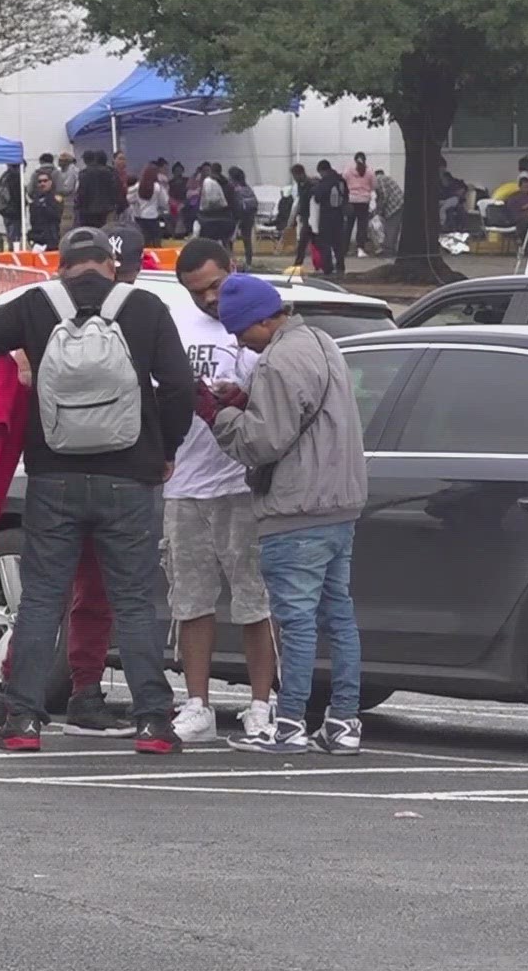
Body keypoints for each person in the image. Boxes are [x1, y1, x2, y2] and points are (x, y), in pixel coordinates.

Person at [0, 227, 196, 755]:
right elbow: (178, 385)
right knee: (132, 601)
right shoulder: (145, 306)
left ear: (62, 268)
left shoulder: (39, 304)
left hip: (53, 475)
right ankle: (154, 721)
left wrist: (17, 375)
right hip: (130, 476)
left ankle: (21, 719)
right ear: (110, 265)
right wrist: (166, 447)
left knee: (41, 598)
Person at [209, 272, 369, 755]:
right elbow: (299, 414)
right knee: (338, 617)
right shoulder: (321, 341)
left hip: (297, 507)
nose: (240, 343)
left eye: (240, 332)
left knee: (295, 622)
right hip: (341, 503)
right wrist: (246, 401)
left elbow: (262, 442)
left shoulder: (277, 362)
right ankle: (343, 723)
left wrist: (219, 416)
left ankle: (290, 725)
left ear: (262, 321)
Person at [163, 240, 278, 744]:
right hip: (185, 482)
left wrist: (237, 399)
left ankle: (261, 703)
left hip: (240, 482)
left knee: (253, 598)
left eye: (214, 285)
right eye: (196, 292)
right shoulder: (174, 325)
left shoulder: (253, 322)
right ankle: (197, 705)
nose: (209, 299)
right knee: (191, 600)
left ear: (233, 269)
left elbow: (276, 399)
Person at [312, 160, 348, 276]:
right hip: (339, 215)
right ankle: (340, 266)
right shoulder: (341, 180)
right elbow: (346, 195)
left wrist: (316, 185)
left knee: (325, 243)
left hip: (327, 215)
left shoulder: (325, 182)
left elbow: (317, 197)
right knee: (338, 243)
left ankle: (328, 268)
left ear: (323, 171)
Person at [74, 150, 120, 229]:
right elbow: (114, 190)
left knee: (89, 232)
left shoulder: (84, 173)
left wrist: (77, 205)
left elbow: (82, 192)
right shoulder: (110, 172)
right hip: (106, 209)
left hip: (87, 210)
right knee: (104, 231)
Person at [129, 162, 169, 246]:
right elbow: (164, 202)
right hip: (153, 218)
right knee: (156, 243)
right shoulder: (157, 187)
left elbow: (129, 198)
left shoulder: (138, 186)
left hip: (139, 218)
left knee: (142, 242)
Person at [343, 152, 375, 257]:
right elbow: (374, 186)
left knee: (348, 226)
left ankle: (344, 249)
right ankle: (360, 249)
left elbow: (343, 182)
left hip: (351, 201)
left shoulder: (348, 171)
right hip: (364, 202)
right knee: (362, 226)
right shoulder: (370, 172)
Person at [227, 166, 259, 267]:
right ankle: (248, 262)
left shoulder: (234, 188)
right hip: (249, 215)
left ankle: (230, 260)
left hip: (237, 215)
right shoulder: (247, 188)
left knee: (230, 239)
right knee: (247, 239)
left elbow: (232, 202)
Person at [197, 163, 235, 246]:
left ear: (211, 171)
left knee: (206, 242)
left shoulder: (208, 182)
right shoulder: (228, 184)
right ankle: (228, 256)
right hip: (226, 219)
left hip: (209, 220)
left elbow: (206, 201)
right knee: (226, 242)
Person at [287, 163, 315, 269]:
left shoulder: (311, 184)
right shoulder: (300, 185)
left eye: (295, 176)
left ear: (300, 174)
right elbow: (300, 201)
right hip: (305, 217)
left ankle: (299, 263)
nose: (294, 179)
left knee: (316, 243)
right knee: (303, 242)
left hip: (313, 217)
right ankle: (298, 263)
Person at [372, 167, 405, 258]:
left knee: (391, 228)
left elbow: (384, 195)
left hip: (395, 206)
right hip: (399, 204)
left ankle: (389, 251)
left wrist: (379, 210)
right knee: (393, 228)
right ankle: (391, 249)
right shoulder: (386, 179)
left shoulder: (379, 179)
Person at [26, 170, 62, 248]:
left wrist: (44, 205)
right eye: (40, 181)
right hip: (37, 236)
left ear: (50, 182)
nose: (42, 183)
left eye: (45, 181)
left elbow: (56, 216)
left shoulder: (55, 198)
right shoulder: (35, 199)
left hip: (51, 236)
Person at [0, 163, 24, 245]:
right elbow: (17, 196)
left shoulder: (4, 176)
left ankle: (11, 248)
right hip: (14, 211)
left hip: (5, 210)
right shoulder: (16, 177)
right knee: (15, 238)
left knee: (10, 234)